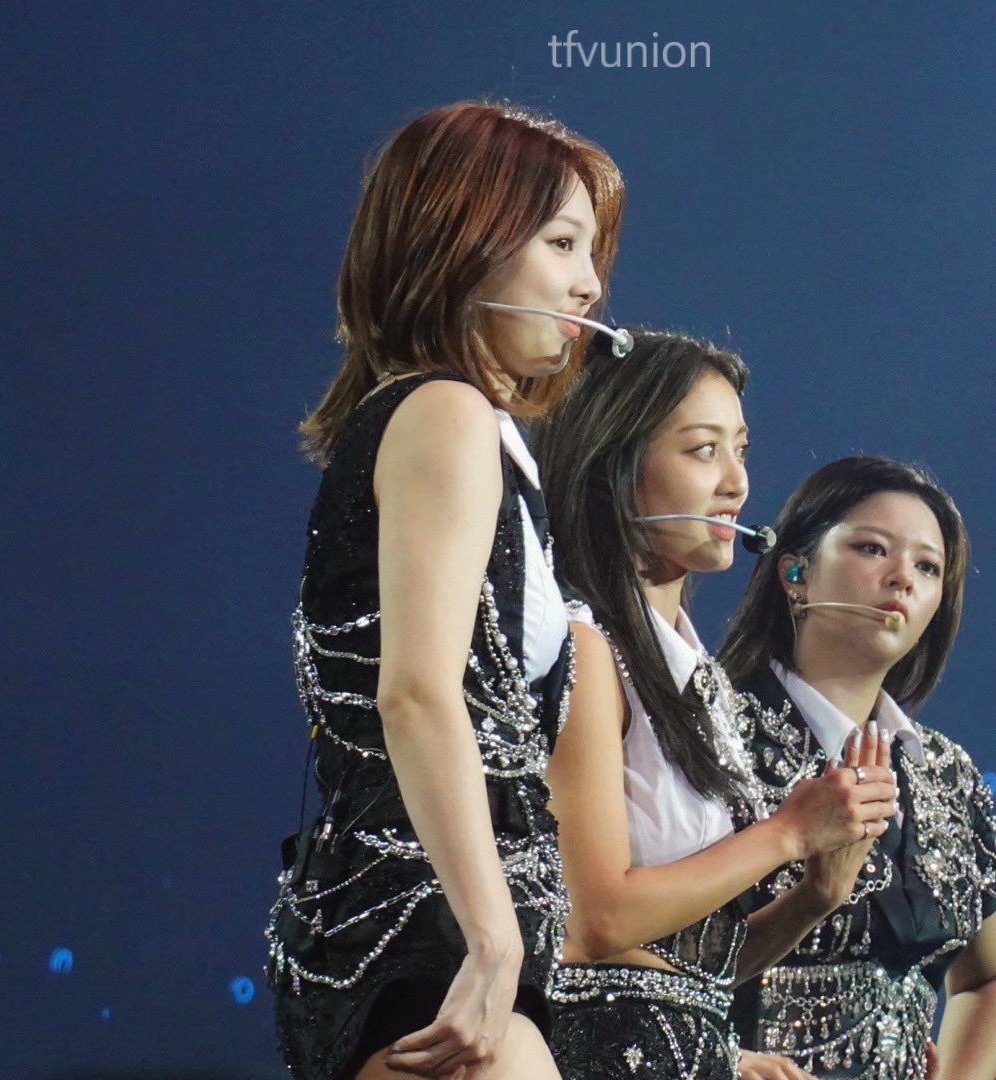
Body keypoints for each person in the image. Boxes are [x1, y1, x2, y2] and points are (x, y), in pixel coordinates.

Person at [264, 100, 624, 1080]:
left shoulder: (462, 432)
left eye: (591, 251)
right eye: (561, 242)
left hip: (430, 928)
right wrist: (492, 939)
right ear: (463, 240)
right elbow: (417, 693)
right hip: (429, 933)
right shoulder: (444, 414)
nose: (590, 282)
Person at [531, 332, 899, 1079]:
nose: (737, 483)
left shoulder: (695, 677)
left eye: (741, 450)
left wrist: (817, 895)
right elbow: (598, 924)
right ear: (614, 468)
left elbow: (686, 966)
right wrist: (787, 832)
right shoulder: (587, 650)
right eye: (703, 451)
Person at [717, 456, 996, 1080]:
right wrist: (716, 1059)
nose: (902, 578)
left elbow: (989, 977)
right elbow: (617, 950)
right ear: (795, 572)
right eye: (872, 548)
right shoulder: (706, 733)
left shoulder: (947, 774)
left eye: (928, 567)